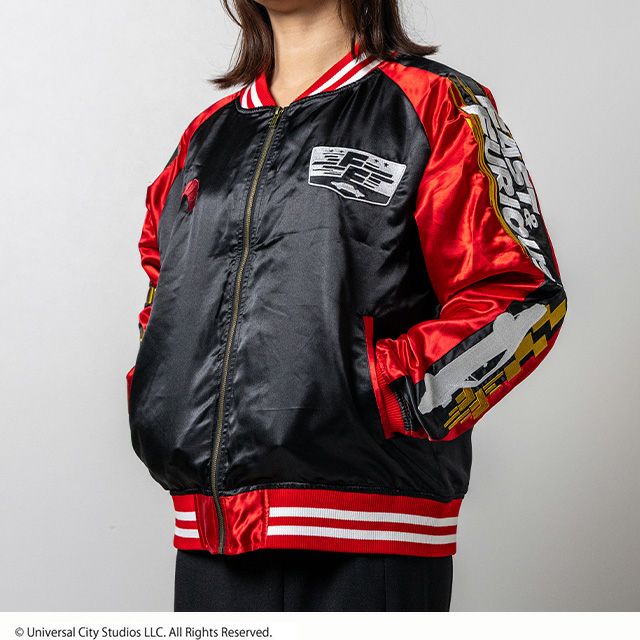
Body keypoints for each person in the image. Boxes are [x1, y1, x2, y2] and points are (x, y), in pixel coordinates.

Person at [125, 0, 568, 612]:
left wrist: (385, 393)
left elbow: (521, 295)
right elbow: (165, 290)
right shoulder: (207, 136)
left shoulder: (434, 104)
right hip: (212, 532)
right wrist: (160, 390)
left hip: (373, 530)